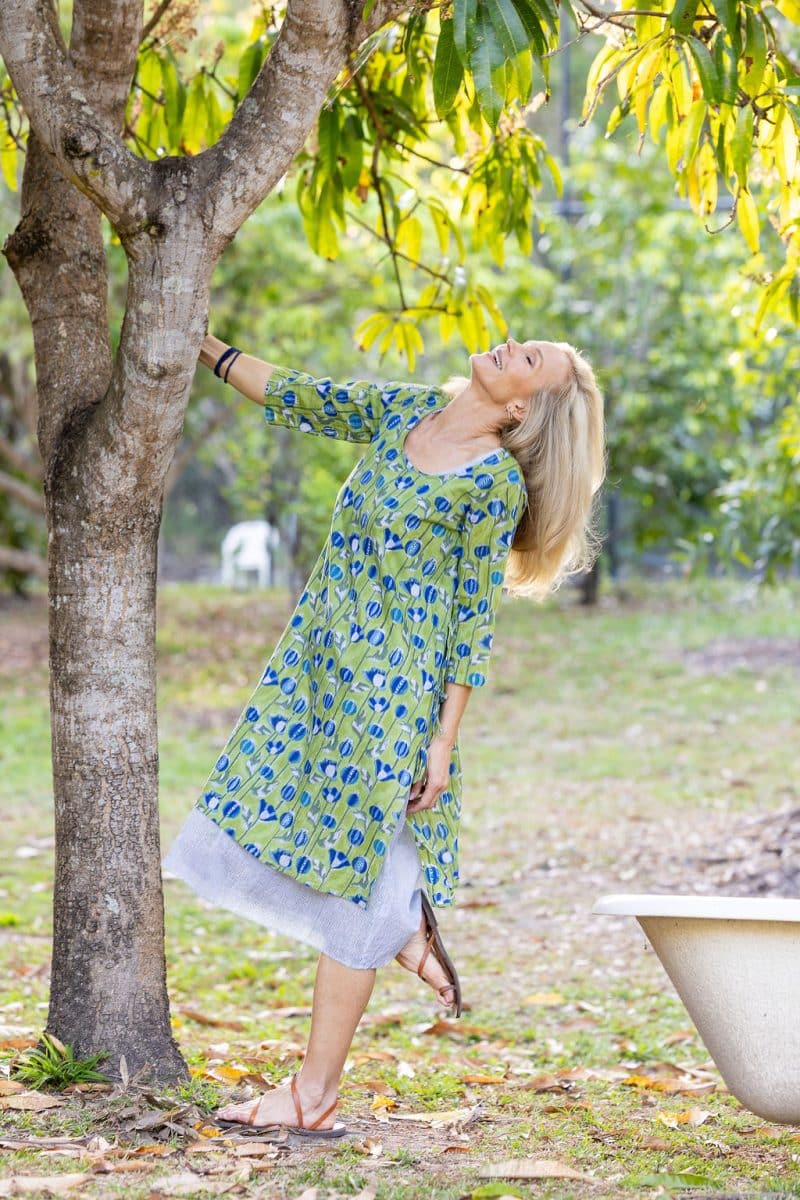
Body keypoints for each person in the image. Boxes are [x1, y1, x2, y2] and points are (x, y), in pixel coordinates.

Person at [162, 333, 606, 1138]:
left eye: (529, 360)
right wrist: (206, 345)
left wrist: (442, 742)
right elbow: (299, 394)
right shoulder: (406, 410)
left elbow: (472, 623)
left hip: (394, 695)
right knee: (288, 823)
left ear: (522, 409)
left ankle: (315, 1092)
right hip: (317, 669)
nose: (511, 346)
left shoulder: (491, 482)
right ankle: (406, 927)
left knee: (357, 892)